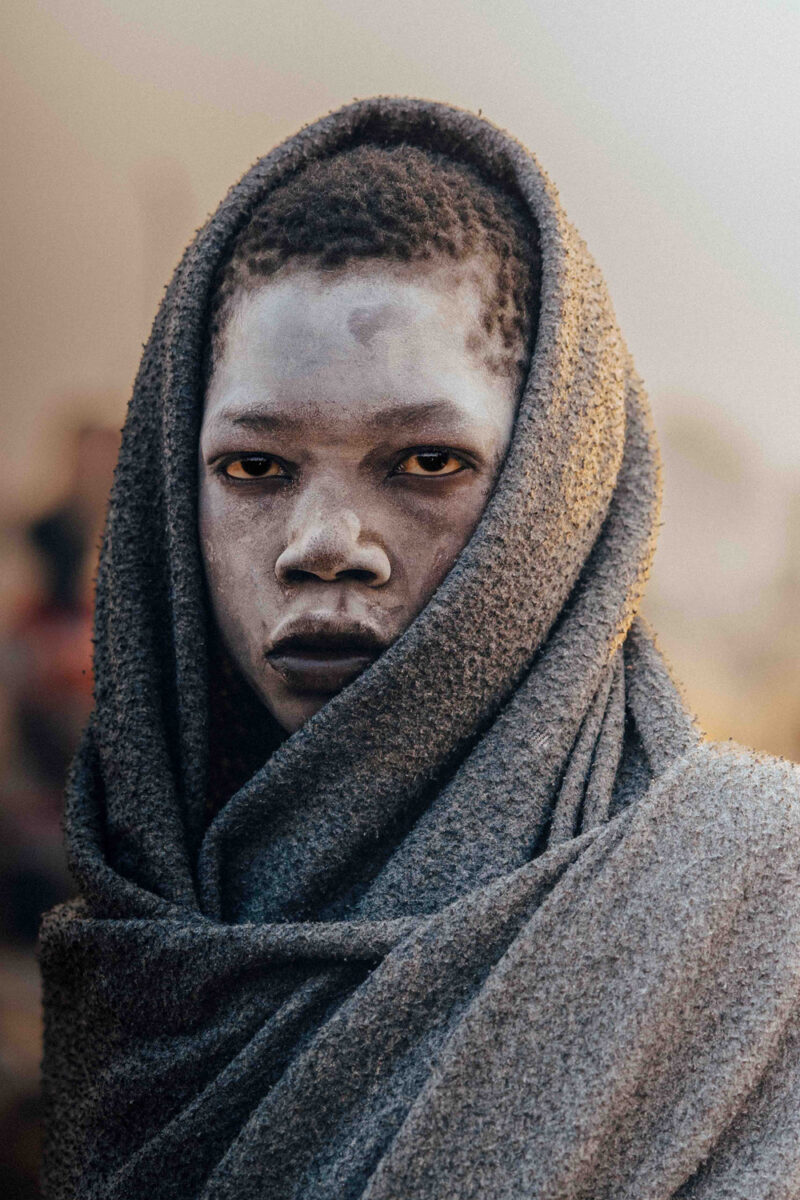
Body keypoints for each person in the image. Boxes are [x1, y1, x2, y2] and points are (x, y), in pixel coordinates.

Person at [38, 97, 800, 1199]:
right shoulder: (131, 958)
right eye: (255, 469)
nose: (322, 545)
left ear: (555, 492)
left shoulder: (756, 909)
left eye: (425, 463)